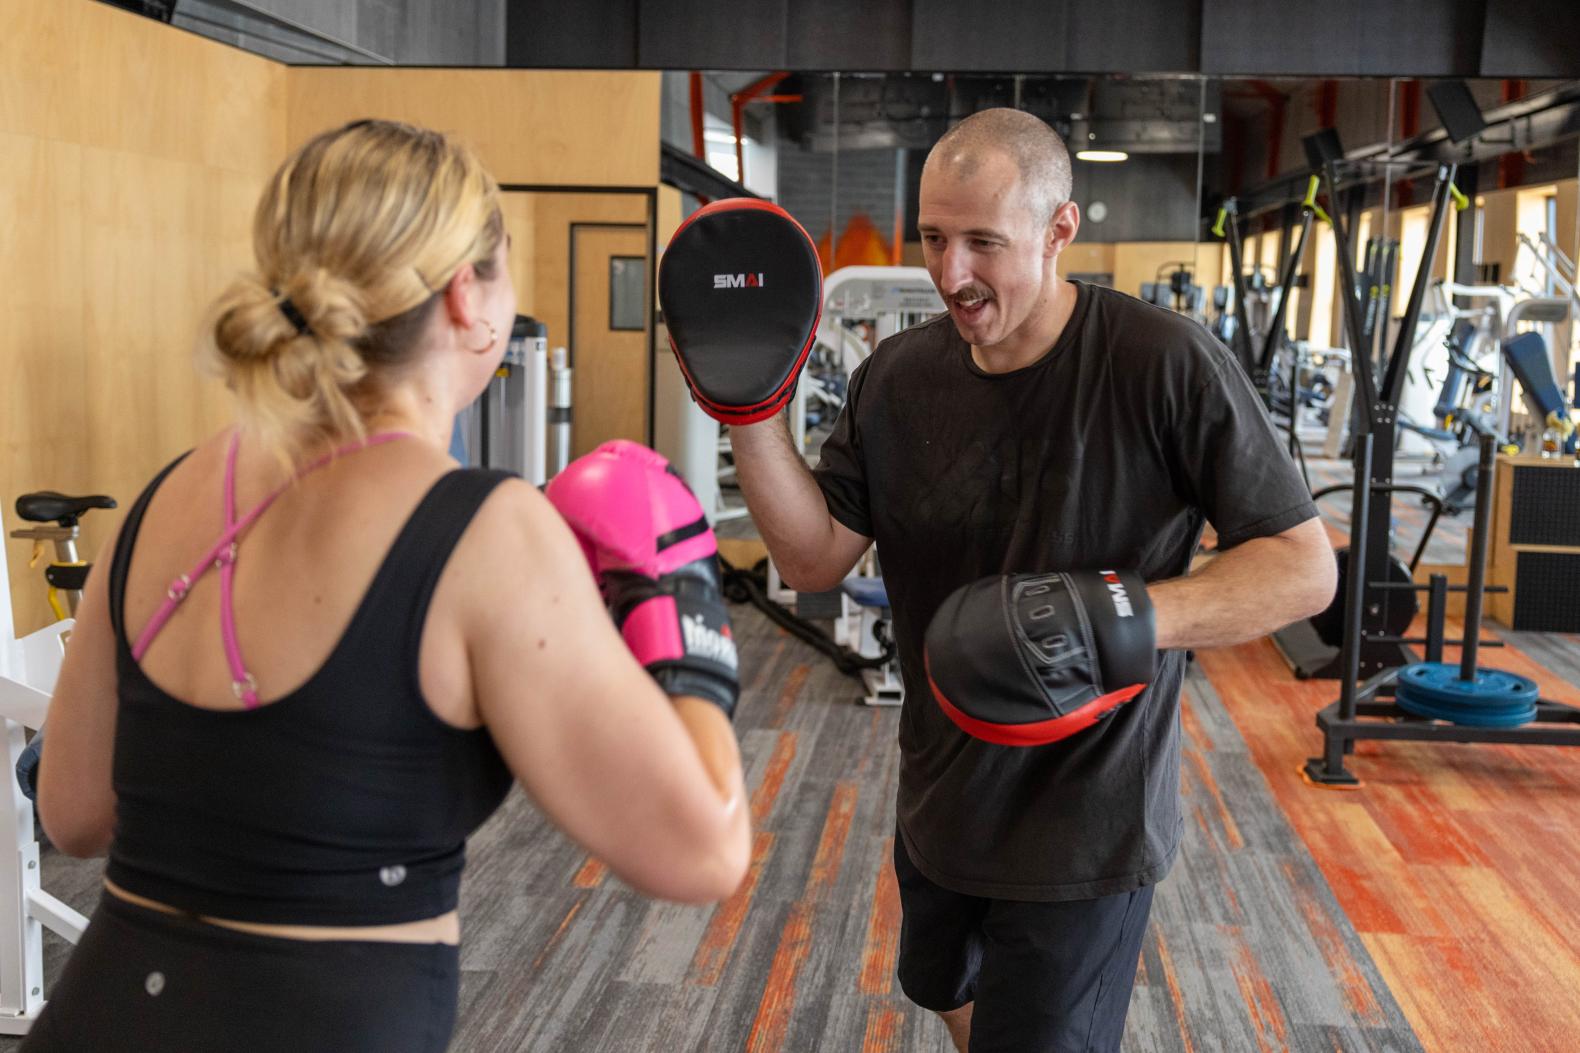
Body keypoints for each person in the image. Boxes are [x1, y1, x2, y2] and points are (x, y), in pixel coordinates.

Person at [31, 119, 750, 1052]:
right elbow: (704, 850)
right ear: (466, 296)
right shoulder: (483, 533)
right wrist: (682, 602)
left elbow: (74, 812)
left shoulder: (156, 500)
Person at [728, 108, 1336, 1052]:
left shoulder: (1161, 364)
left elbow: (1303, 568)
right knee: (941, 983)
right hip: (941, 791)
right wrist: (747, 408)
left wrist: (1116, 618)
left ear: (1060, 231)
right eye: (933, 238)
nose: (951, 275)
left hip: (1086, 822)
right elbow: (813, 559)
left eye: (983, 243)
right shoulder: (896, 378)